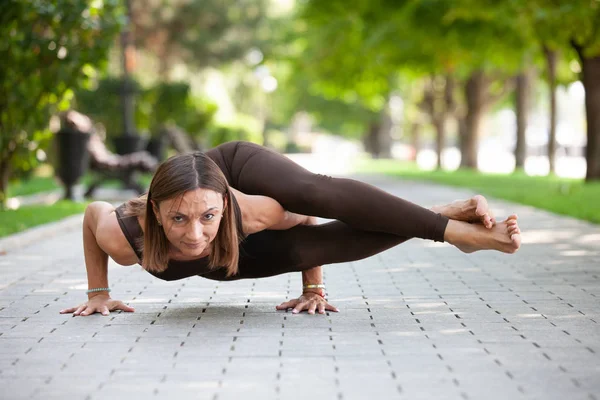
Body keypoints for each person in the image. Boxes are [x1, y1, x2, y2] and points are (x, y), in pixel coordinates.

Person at [60, 141, 521, 317]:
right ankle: (444, 213)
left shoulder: (252, 210)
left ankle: (456, 234)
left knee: (313, 197)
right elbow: (90, 212)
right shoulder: (125, 236)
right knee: (302, 250)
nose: (194, 234)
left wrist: (314, 288)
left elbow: (309, 215)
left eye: (206, 218)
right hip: (226, 251)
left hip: (238, 172)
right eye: (178, 219)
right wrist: (97, 292)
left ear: (223, 209)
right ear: (157, 213)